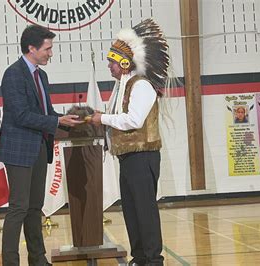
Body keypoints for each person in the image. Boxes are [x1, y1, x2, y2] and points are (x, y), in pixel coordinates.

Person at [0, 25, 83, 266]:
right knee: (19, 207)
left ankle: (38, 259)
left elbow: (45, 113)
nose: (50, 53)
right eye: (47, 48)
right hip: (18, 151)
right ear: (31, 48)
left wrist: (67, 121)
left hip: (38, 148)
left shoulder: (41, 75)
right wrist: (56, 120)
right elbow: (21, 115)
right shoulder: (13, 74)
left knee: (35, 207)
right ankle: (10, 262)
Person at [89, 19, 169, 266]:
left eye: (112, 62)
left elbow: (133, 119)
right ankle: (140, 256)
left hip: (142, 157)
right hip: (129, 157)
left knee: (145, 210)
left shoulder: (141, 85)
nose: (109, 67)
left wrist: (103, 118)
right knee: (132, 211)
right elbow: (121, 118)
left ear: (124, 63)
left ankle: (153, 259)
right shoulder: (122, 87)